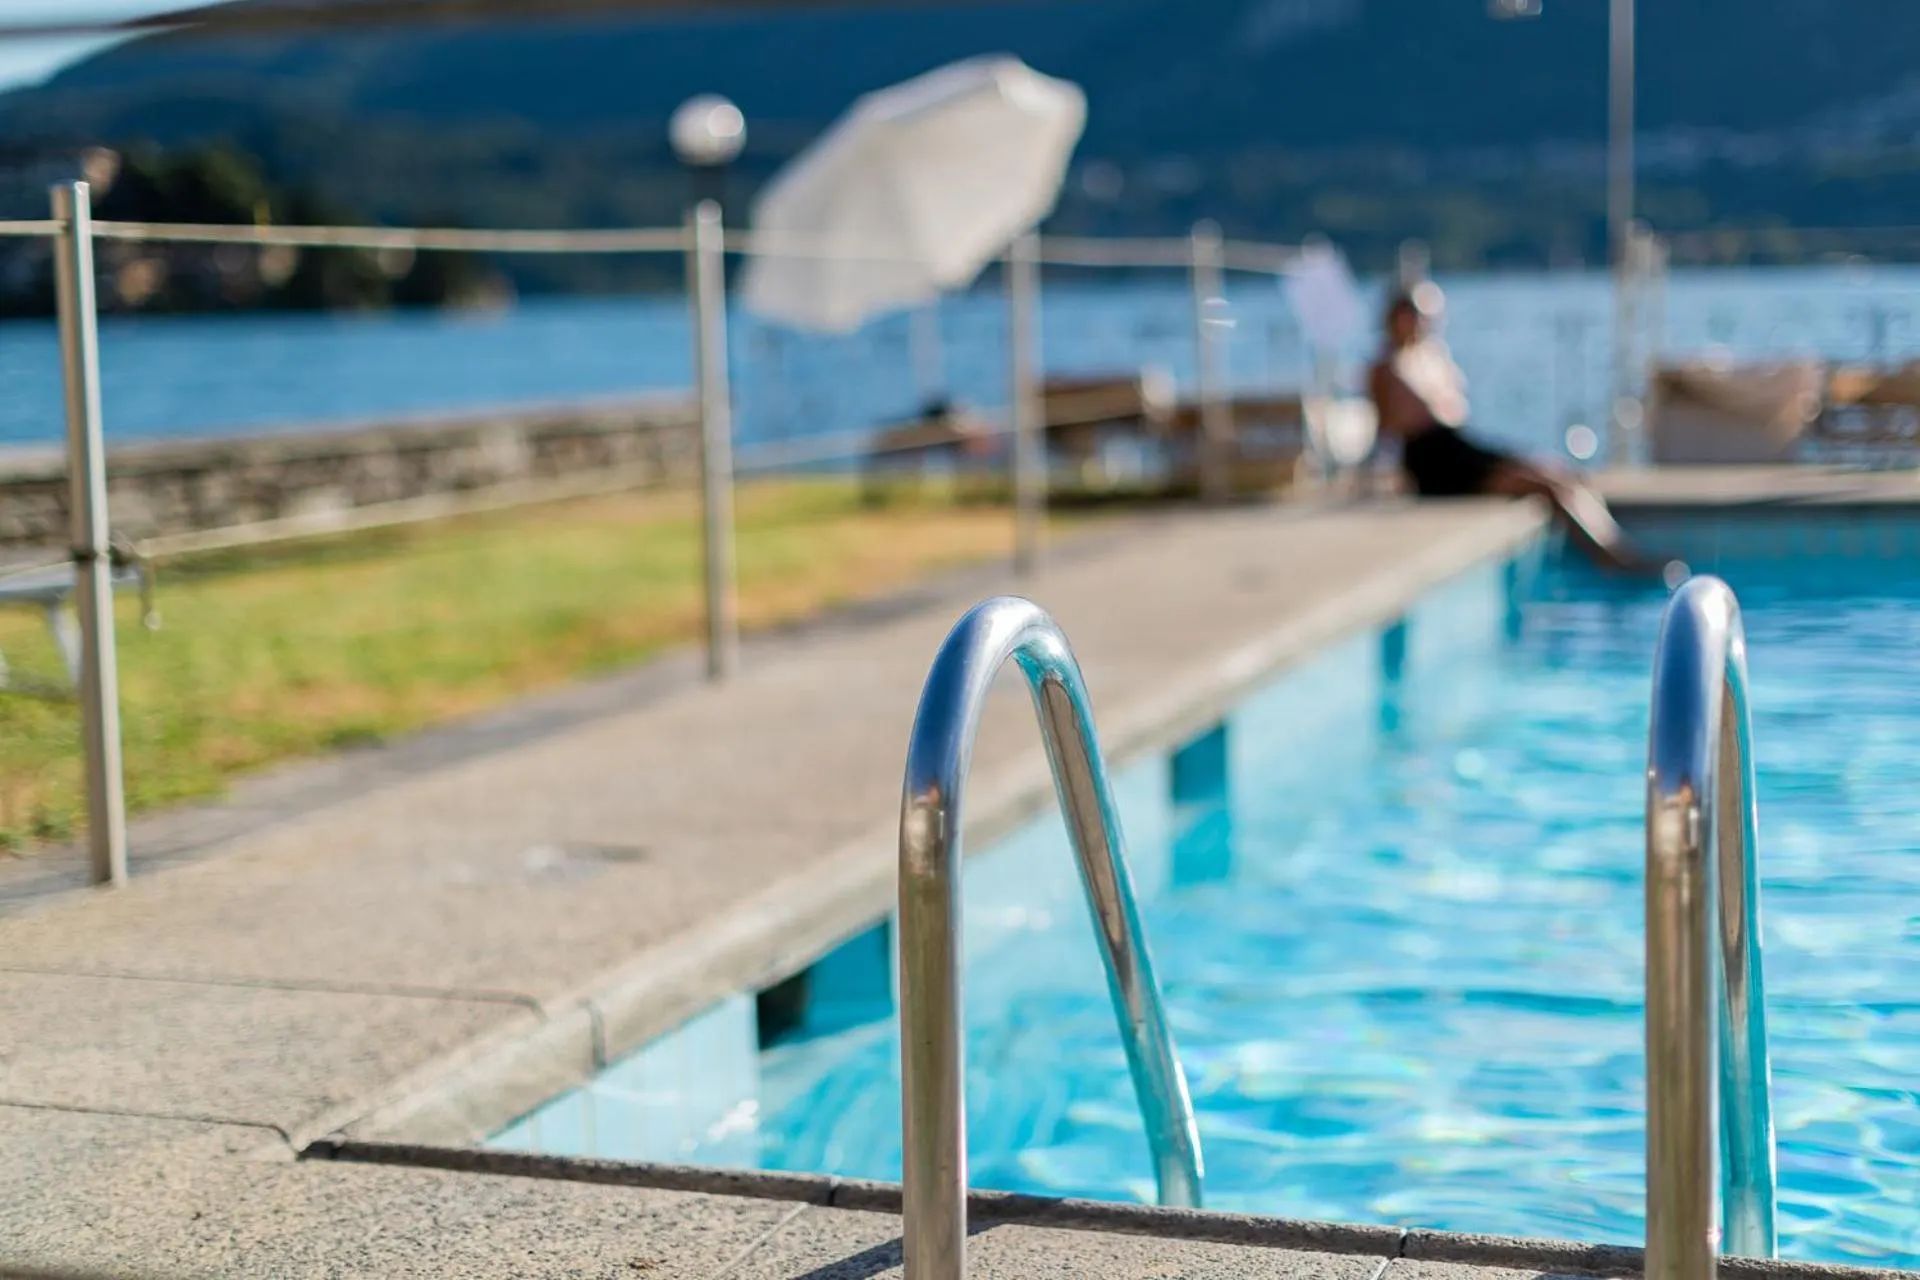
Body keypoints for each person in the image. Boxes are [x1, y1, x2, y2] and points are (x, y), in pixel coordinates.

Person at [1367, 282, 1660, 574]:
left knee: (1562, 473)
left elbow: (1455, 410)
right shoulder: (1386, 367)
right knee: (1548, 487)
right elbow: (1386, 427)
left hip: (1458, 447)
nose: (1422, 323)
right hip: (1436, 462)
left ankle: (1616, 546)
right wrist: (1376, 475)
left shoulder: (1428, 357)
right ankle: (1611, 558)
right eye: (1415, 315)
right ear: (1397, 317)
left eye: (1426, 316)